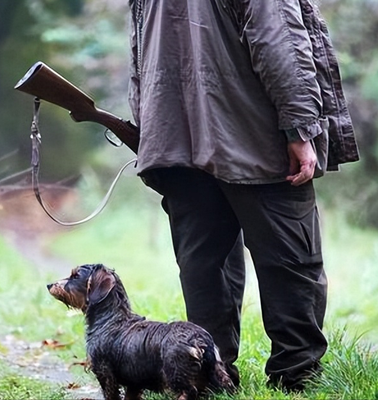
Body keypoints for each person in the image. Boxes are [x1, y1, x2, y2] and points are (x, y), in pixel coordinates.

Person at [127, 0, 359, 392]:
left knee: (204, 264)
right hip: (254, 137)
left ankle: (209, 377)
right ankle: (297, 376)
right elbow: (278, 39)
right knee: (291, 260)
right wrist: (300, 126)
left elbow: (139, 53)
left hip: (175, 138)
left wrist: (150, 128)